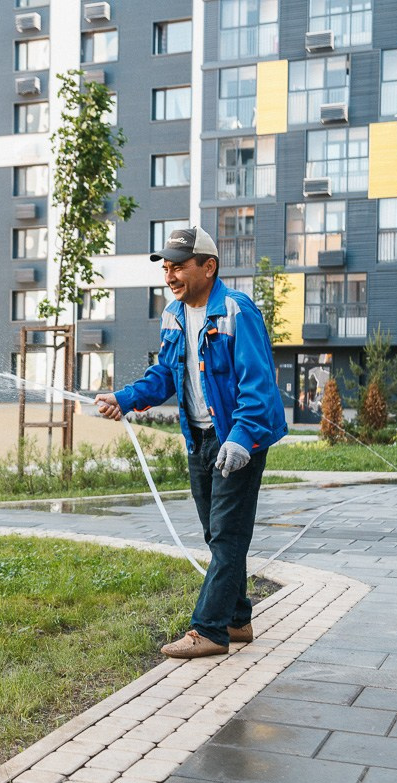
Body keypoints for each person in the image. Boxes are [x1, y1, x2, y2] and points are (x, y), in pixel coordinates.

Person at [95, 226, 287, 658]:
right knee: (216, 534)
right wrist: (125, 399)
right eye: (166, 267)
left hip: (241, 437)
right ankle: (238, 620)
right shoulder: (174, 315)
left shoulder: (237, 312)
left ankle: (210, 630)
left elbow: (257, 386)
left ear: (208, 266)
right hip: (199, 436)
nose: (170, 275)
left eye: (178, 266)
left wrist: (240, 440)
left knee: (227, 534)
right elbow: (166, 373)